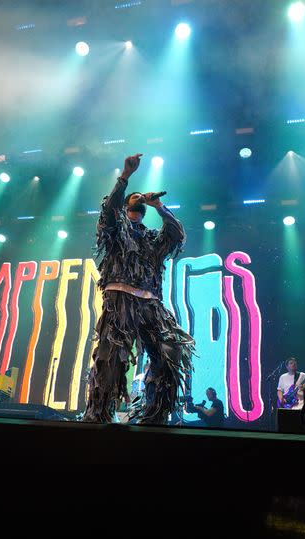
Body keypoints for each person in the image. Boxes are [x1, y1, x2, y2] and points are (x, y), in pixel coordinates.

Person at [83, 153, 195, 424]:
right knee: (111, 359)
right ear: (124, 207)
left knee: (171, 349)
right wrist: (125, 177)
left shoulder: (150, 238)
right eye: (133, 202)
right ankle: (99, 415)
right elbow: (109, 213)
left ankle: (155, 413)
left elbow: (176, 236)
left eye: (139, 202)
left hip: (149, 303)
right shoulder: (115, 231)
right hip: (120, 299)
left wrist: (159, 207)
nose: (137, 203)